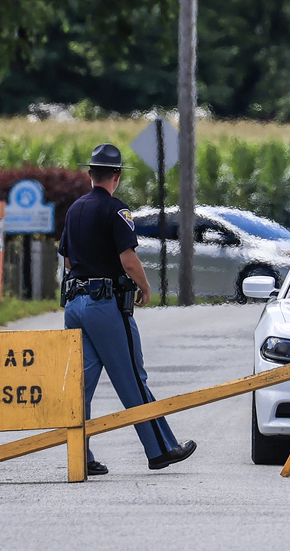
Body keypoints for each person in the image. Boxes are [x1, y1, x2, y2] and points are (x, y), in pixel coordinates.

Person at [58, 143, 196, 476]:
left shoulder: (74, 209)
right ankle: (160, 450)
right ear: (117, 176)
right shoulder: (117, 211)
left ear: (91, 174)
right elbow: (128, 259)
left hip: (74, 304)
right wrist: (145, 287)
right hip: (105, 305)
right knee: (132, 376)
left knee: (81, 383)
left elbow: (66, 259)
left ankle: (82, 455)